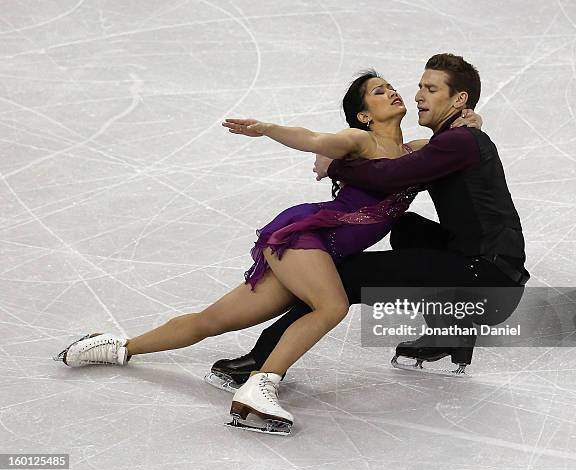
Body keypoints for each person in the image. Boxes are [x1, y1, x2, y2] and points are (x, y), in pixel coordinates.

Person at [52, 69, 483, 435]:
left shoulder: (413, 152)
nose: (392, 91)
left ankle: (117, 346)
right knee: (332, 306)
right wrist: (269, 129)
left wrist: (471, 119)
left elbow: (451, 142)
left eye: (390, 86)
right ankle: (262, 385)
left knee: (212, 320)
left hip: (320, 252)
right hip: (305, 238)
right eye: (377, 91)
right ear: (364, 115)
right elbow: (314, 137)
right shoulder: (359, 140)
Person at [208, 52, 530, 389]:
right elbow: (405, 161)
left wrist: (335, 165)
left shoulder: (458, 141)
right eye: (420, 87)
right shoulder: (455, 140)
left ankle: (262, 362)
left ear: (459, 99)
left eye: (432, 89)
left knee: (346, 278)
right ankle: (451, 338)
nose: (419, 95)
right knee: (407, 229)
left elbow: (390, 175)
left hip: (487, 277)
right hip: (489, 266)